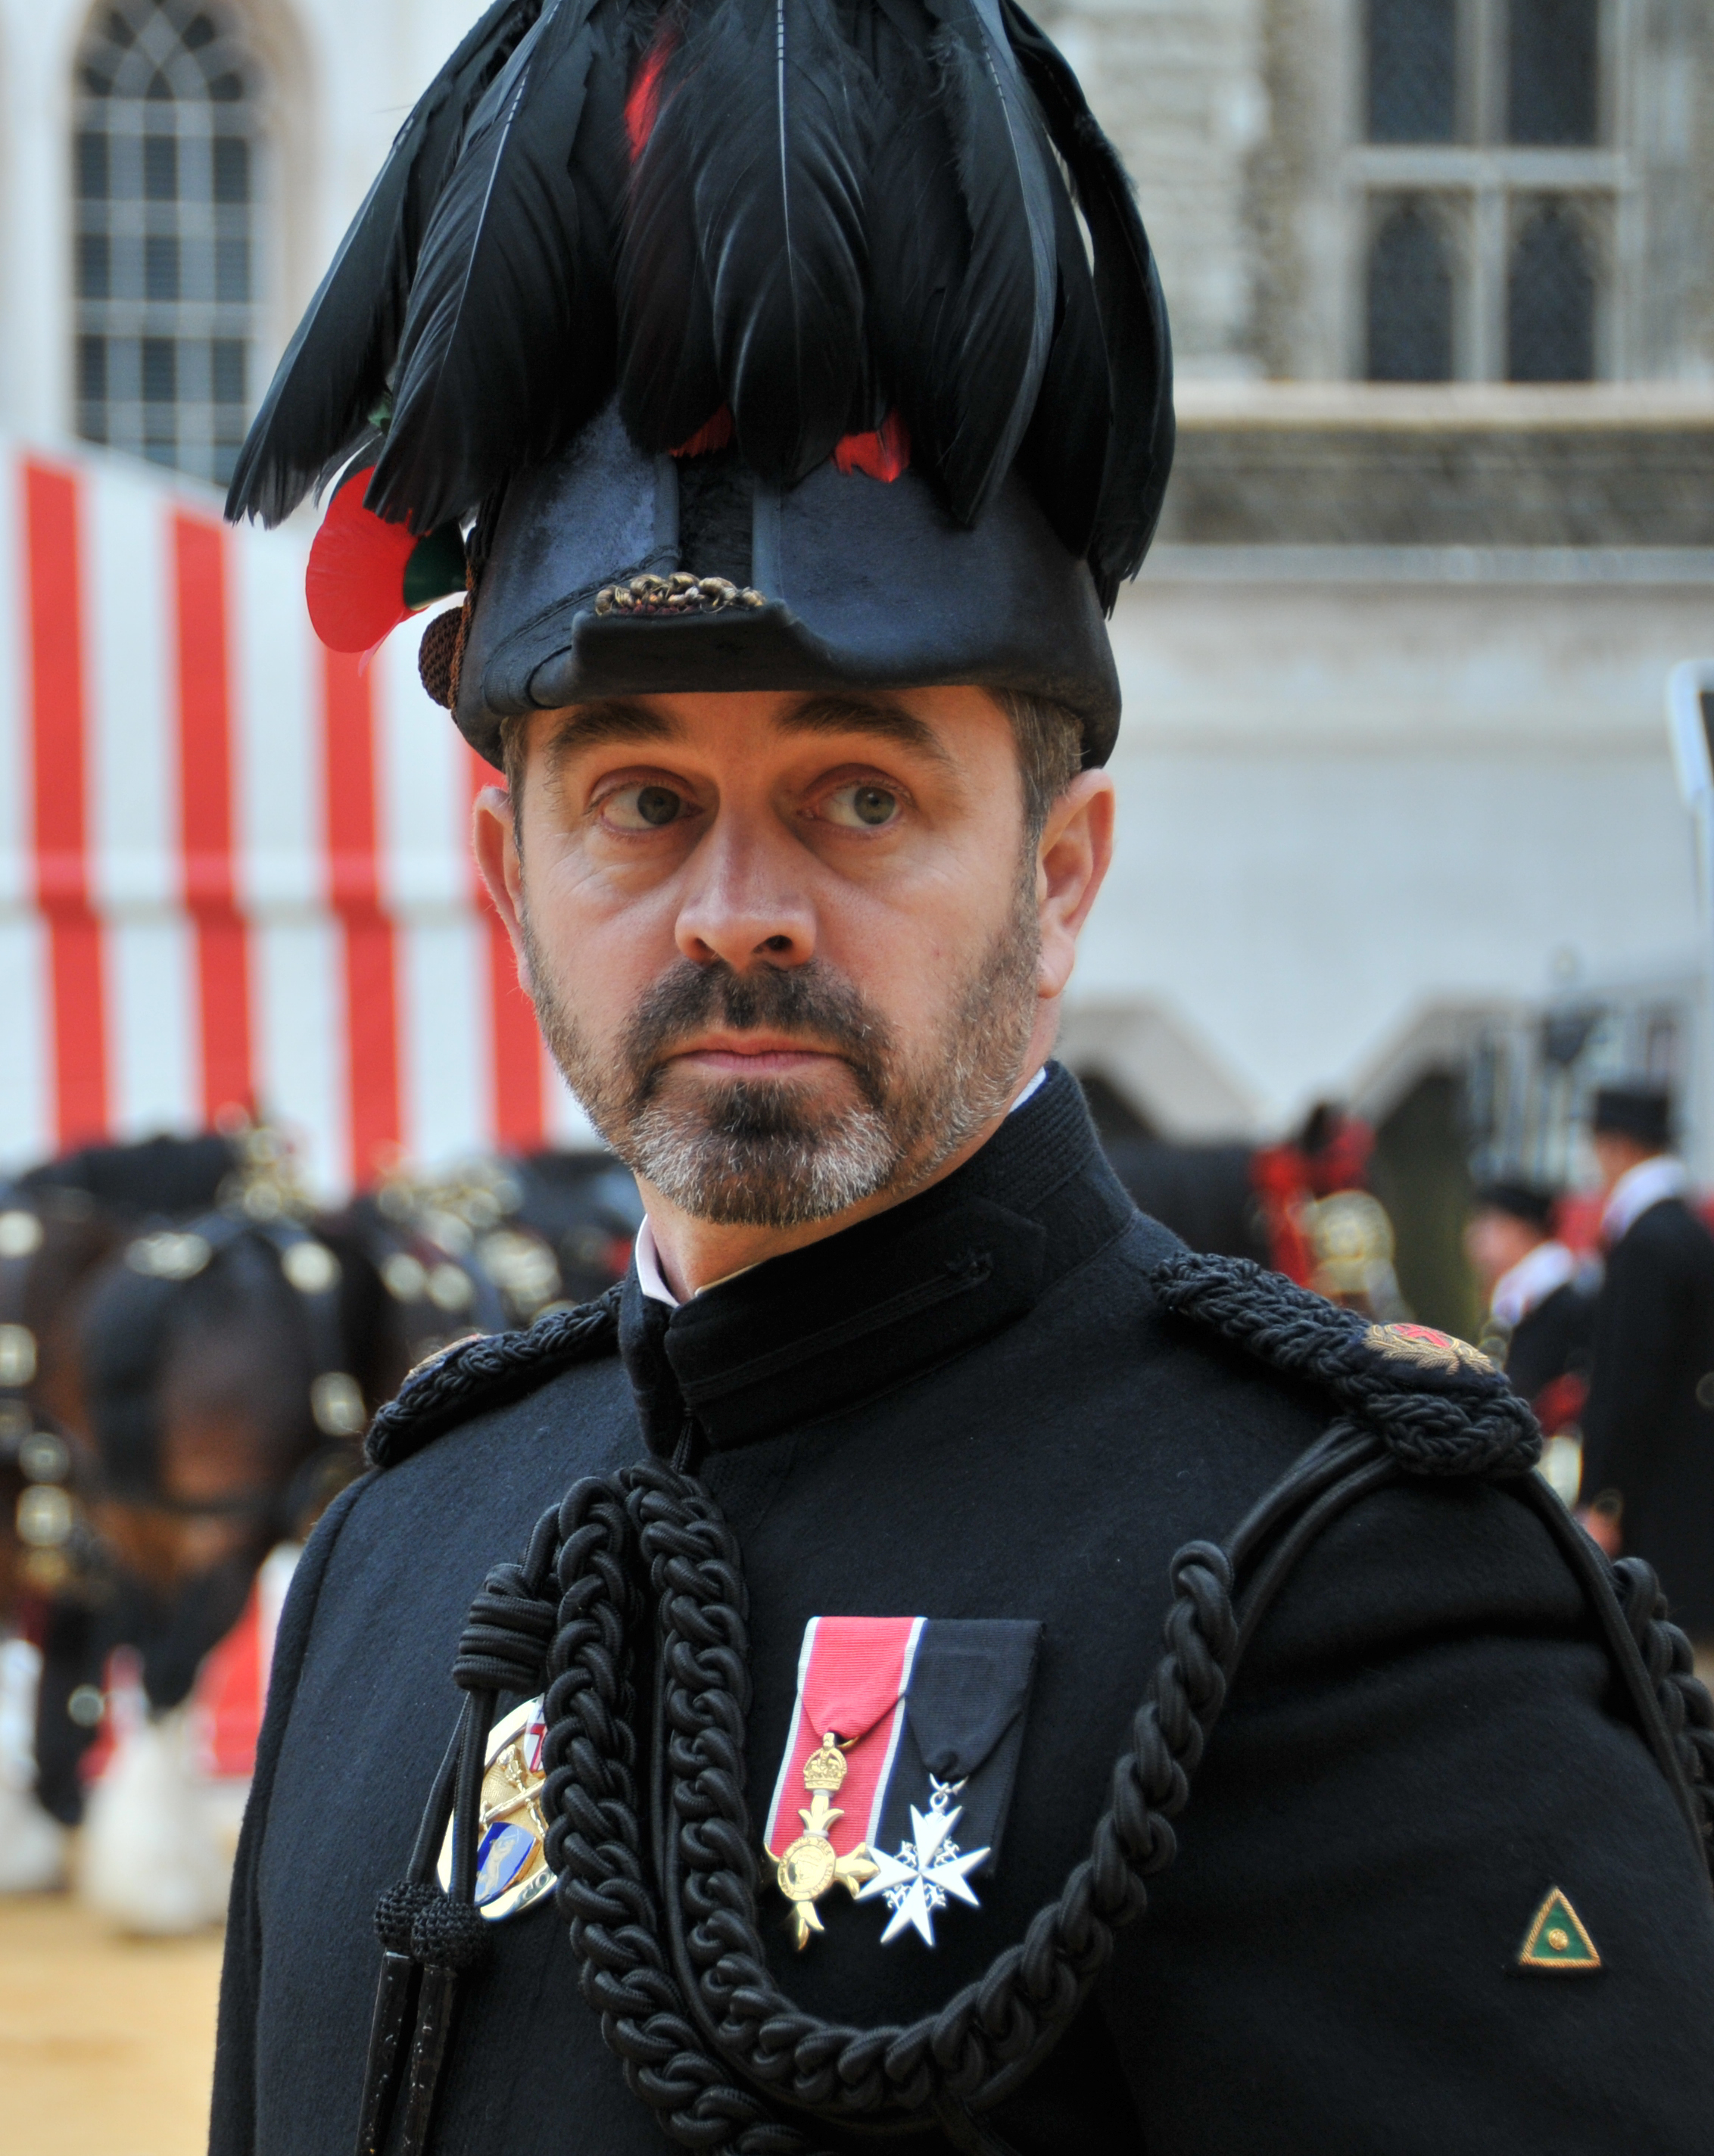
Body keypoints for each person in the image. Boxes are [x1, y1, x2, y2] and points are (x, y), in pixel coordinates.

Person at [203, 2, 1714, 2147]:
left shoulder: (1343, 1576)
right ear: (500, 868)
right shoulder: (403, 1552)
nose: (742, 911)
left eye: (860, 798)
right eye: (639, 802)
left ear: (1063, 868)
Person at [1578, 1083, 1714, 1634]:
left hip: (1656, 1498)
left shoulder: (1646, 1241)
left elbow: (1630, 1385)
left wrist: (1606, 1499)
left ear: (1616, 1148)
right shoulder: (1688, 1230)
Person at [1468, 1177, 1591, 1421]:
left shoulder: (1563, 1303)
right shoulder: (1509, 1297)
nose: (1473, 1236)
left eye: (1488, 1224)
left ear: (1522, 1231)